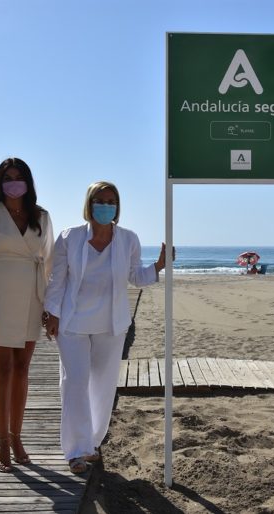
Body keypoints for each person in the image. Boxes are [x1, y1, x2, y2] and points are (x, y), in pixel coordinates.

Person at [44, 181, 171, 474]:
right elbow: (57, 280)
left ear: (118, 206)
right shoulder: (69, 237)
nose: (105, 205)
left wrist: (158, 267)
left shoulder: (128, 239)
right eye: (100, 200)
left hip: (111, 326)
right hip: (72, 324)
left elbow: (135, 277)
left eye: (111, 200)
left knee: (103, 386)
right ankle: (75, 450)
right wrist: (51, 313)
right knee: (75, 383)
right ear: (89, 204)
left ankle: (91, 444)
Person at [0, 157, 54, 473]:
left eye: (19, 177)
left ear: (28, 182)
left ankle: (17, 437)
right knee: (2, 369)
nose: (13, 182)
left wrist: (49, 304)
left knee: (22, 369)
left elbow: (49, 262)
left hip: (33, 295)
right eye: (8, 177)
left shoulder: (41, 216)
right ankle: (2, 440)